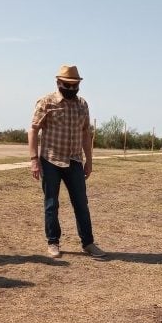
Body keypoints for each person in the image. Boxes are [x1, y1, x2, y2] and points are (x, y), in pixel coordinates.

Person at [29, 65, 106, 259]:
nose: (71, 89)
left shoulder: (82, 105)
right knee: (51, 203)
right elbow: (33, 130)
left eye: (75, 86)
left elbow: (85, 134)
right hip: (51, 160)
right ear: (58, 83)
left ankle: (88, 243)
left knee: (81, 203)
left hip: (74, 161)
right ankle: (53, 242)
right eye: (67, 85)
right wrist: (33, 159)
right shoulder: (46, 102)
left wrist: (89, 160)